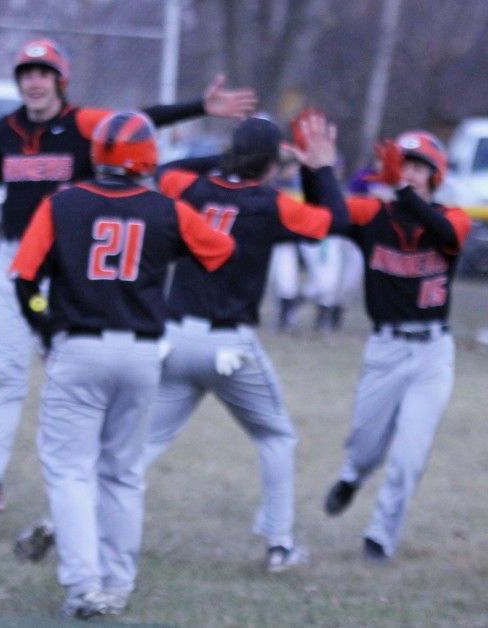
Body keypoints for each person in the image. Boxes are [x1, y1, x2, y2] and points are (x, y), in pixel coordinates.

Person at [0, 37, 258, 511]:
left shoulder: (82, 123)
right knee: (6, 368)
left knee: (71, 366)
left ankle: (83, 475)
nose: (33, 81)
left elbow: (140, 121)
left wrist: (201, 106)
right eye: (26, 73)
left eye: (43, 72)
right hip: (18, 259)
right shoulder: (7, 128)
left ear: (60, 80)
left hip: (70, 263)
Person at [9, 111, 234, 618]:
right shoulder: (165, 210)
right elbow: (220, 250)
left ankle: (84, 585)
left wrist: (46, 328)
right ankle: (118, 583)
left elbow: (24, 279)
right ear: (147, 158)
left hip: (78, 345)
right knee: (123, 473)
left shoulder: (62, 204)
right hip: (141, 352)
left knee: (71, 471)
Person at [144, 112, 349, 572]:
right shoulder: (271, 204)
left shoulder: (191, 188)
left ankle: (70, 518)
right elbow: (334, 221)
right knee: (276, 436)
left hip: (174, 338)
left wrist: (236, 156)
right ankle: (279, 545)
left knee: (144, 444)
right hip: (228, 345)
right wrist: (318, 169)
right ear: (272, 163)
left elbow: (163, 171)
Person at [319, 130, 471, 563]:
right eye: (405, 164)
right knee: (366, 445)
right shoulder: (373, 214)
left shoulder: (454, 217)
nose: (411, 173)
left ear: (435, 176)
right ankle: (353, 475)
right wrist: (319, 169)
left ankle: (380, 537)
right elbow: (327, 212)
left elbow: (440, 228)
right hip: (385, 348)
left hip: (431, 353)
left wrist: (403, 192)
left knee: (409, 456)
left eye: (421, 167)